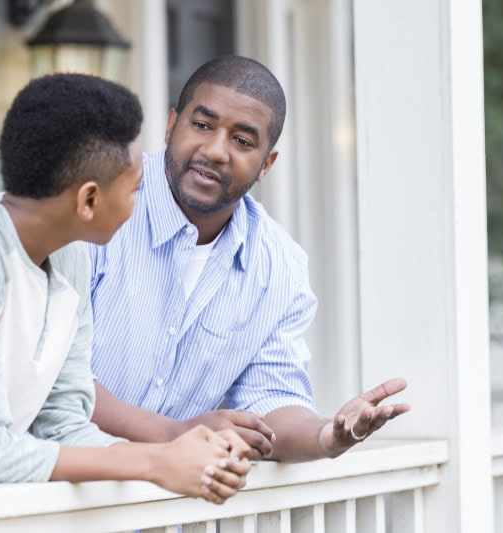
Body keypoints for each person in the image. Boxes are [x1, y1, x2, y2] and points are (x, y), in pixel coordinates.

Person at [0, 73, 251, 503]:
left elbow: (61, 423)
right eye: (135, 189)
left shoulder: (67, 258)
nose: (140, 205)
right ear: (88, 201)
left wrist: (179, 456)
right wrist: (154, 463)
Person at [89, 55, 410, 462]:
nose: (216, 151)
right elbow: (55, 376)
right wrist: (174, 434)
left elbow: (271, 399)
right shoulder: (96, 205)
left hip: (166, 514)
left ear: (266, 165)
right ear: (171, 125)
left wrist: (327, 436)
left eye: (242, 141)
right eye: (202, 125)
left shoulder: (280, 267)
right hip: (46, 494)